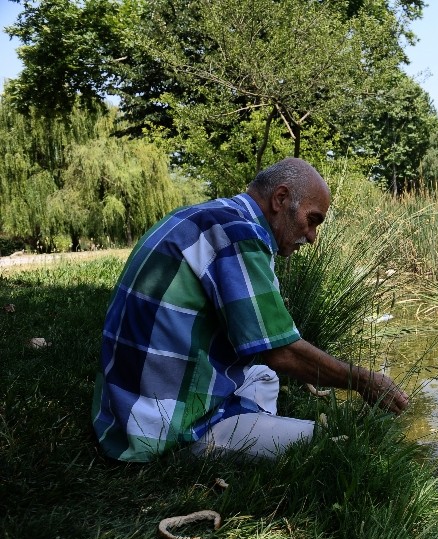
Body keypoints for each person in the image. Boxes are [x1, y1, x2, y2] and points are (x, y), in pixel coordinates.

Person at [92, 157, 408, 462]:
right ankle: (213, 445)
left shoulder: (211, 215)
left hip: (124, 406)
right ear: (281, 198)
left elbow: (261, 345)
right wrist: (364, 381)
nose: (312, 237)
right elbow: (282, 353)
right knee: (331, 442)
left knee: (263, 377)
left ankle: (243, 433)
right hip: (160, 427)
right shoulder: (240, 235)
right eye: (312, 220)